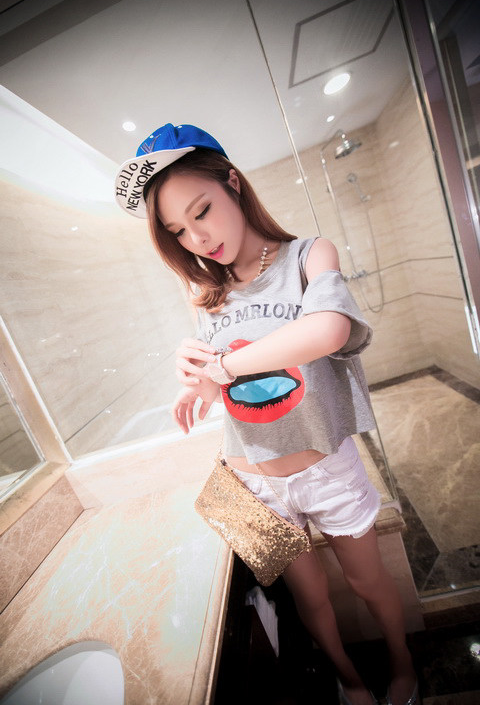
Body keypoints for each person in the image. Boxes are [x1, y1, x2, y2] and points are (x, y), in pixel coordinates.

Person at [115, 123, 419, 705]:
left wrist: (225, 367)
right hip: (252, 485)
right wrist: (193, 379)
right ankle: (350, 679)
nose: (197, 238)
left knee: (367, 580)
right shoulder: (205, 296)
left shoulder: (309, 255)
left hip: (327, 468)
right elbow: (221, 393)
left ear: (232, 183)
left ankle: (402, 664)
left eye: (202, 211)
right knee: (310, 598)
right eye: (178, 231)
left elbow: (328, 330)